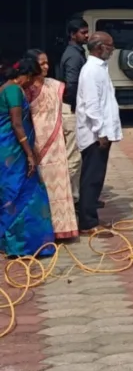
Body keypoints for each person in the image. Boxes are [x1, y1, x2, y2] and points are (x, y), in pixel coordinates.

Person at [0, 54, 56, 257]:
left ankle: (9, 241)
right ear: (26, 75)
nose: (31, 84)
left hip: (8, 149)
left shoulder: (6, 87)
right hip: (13, 150)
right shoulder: (14, 90)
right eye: (32, 79)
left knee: (10, 193)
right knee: (24, 193)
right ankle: (23, 244)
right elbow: (17, 124)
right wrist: (30, 155)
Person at [23, 49, 77, 241]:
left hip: (56, 143)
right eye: (42, 63)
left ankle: (62, 228)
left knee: (60, 183)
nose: (46, 66)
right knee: (40, 186)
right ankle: (42, 230)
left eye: (47, 63)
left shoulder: (54, 85)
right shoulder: (26, 89)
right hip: (37, 143)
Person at [75, 33, 121, 233]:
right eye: (110, 46)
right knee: (91, 178)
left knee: (97, 177)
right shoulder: (91, 70)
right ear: (100, 47)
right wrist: (101, 132)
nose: (112, 49)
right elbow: (92, 105)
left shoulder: (100, 68)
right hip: (94, 135)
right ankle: (88, 222)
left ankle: (91, 216)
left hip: (102, 132)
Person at [57, 17, 89, 204]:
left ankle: (75, 197)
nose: (87, 35)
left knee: (77, 156)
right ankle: (65, 199)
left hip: (73, 108)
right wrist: (79, 105)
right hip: (71, 110)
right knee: (73, 157)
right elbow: (71, 85)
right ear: (72, 34)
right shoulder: (74, 56)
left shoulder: (77, 52)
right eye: (83, 33)